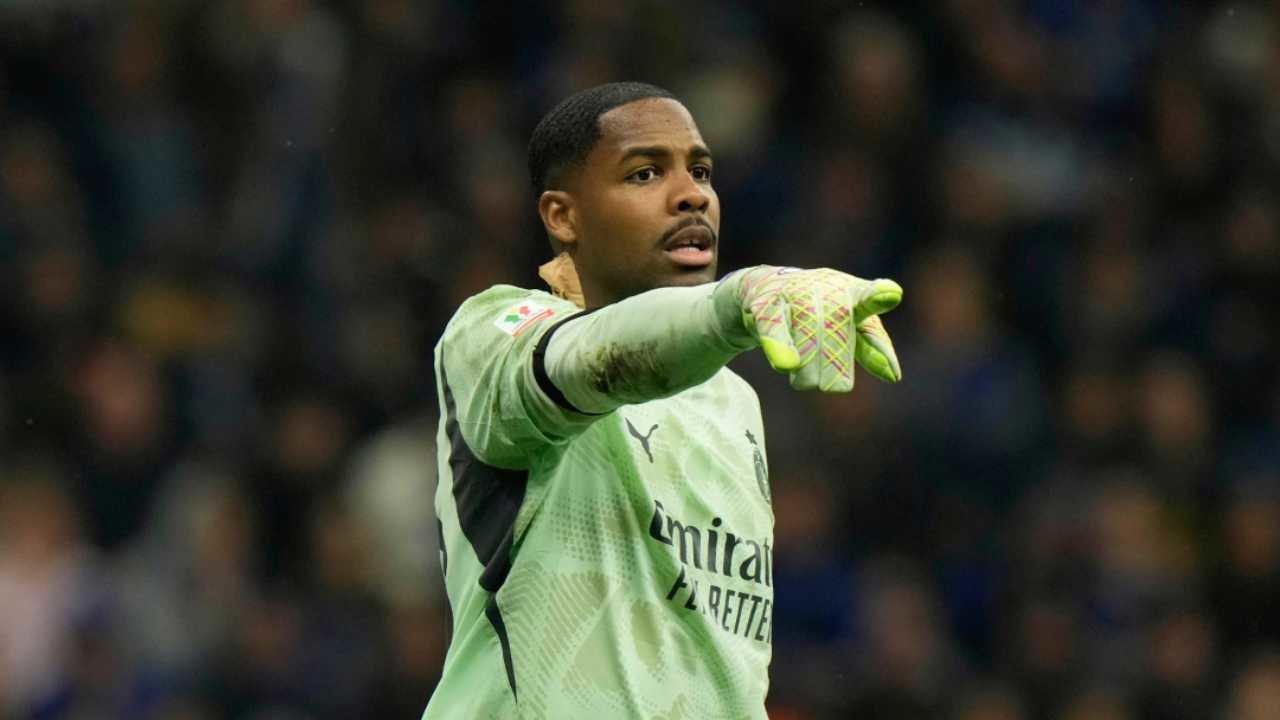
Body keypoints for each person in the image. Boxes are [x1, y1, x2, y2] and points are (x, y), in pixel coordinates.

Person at [424, 81, 904, 719]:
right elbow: (587, 358)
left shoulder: (733, 401)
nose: (692, 194)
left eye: (700, 171)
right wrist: (734, 303)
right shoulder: (489, 336)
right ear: (562, 216)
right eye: (645, 173)